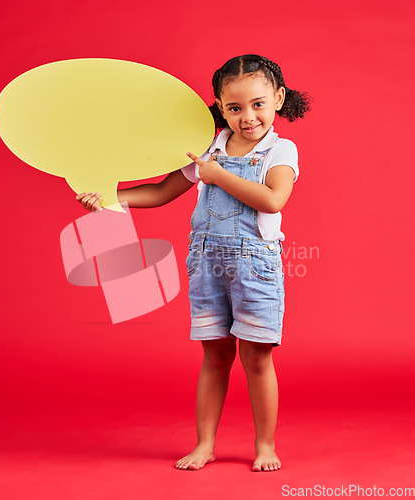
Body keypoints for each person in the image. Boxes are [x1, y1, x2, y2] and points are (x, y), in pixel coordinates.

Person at [76, 54, 311, 472]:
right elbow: (164, 191)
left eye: (258, 104)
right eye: (234, 108)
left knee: (256, 358)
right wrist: (111, 199)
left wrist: (218, 176)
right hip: (207, 264)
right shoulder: (209, 148)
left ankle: (265, 445)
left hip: (255, 266)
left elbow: (274, 199)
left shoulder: (281, 149)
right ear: (220, 107)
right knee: (215, 355)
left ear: (278, 98)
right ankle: (205, 444)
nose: (248, 117)